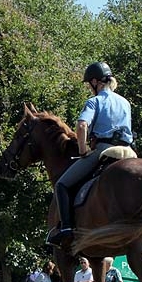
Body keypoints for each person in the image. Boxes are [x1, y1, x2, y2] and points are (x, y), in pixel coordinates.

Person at [48, 62, 133, 246]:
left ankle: (67, 228)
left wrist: (83, 150)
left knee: (62, 185)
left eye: (89, 84)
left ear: (95, 81)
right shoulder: (125, 102)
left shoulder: (95, 101)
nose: (89, 88)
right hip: (129, 152)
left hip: (104, 149)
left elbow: (81, 125)